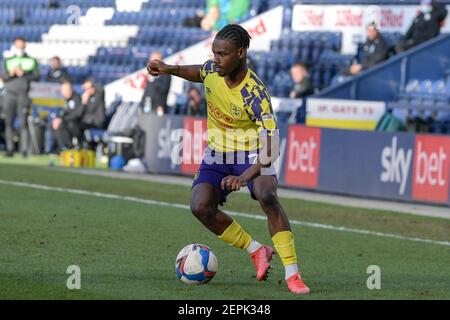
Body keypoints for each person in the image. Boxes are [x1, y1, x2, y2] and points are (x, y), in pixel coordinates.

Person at [147, 24, 310, 294]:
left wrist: (244, 177)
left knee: (266, 195)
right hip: (218, 152)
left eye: (222, 54)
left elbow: (271, 147)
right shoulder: (213, 70)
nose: (215, 59)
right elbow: (198, 72)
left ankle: (293, 273)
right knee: (200, 207)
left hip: (253, 154)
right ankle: (257, 250)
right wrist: (169, 69)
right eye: (214, 53)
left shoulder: (255, 93)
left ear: (241, 53)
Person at [0, 37, 40, 157]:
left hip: (23, 95)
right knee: (8, 123)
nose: (19, 48)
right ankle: (10, 148)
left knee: (23, 123)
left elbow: (36, 76)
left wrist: (25, 74)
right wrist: (11, 73)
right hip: (10, 95)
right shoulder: (8, 60)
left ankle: (24, 150)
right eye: (18, 45)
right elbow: (4, 76)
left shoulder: (31, 60)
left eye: (21, 45)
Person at [52, 81, 83, 151]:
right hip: (67, 123)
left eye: (66, 90)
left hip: (76, 125)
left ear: (71, 89)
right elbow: (62, 113)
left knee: (63, 125)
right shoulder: (65, 100)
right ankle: (58, 147)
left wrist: (62, 119)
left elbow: (77, 114)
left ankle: (66, 147)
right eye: (63, 91)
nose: (64, 93)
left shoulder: (76, 99)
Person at [140, 51, 171, 116]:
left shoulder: (166, 73)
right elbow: (147, 91)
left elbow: (164, 89)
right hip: (146, 107)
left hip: (158, 109)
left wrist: (154, 80)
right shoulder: (150, 73)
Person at [79, 78, 105, 146]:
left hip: (96, 122)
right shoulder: (86, 98)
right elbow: (80, 113)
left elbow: (101, 89)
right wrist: (83, 103)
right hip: (87, 122)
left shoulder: (99, 95)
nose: (87, 90)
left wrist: (91, 84)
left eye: (88, 88)